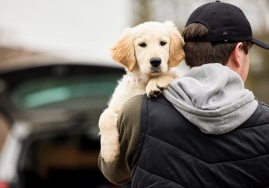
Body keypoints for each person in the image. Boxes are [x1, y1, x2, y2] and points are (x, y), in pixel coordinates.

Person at [98, 1, 269, 187]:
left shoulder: (137, 110)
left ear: (184, 52)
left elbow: (114, 173)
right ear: (238, 53)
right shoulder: (266, 122)